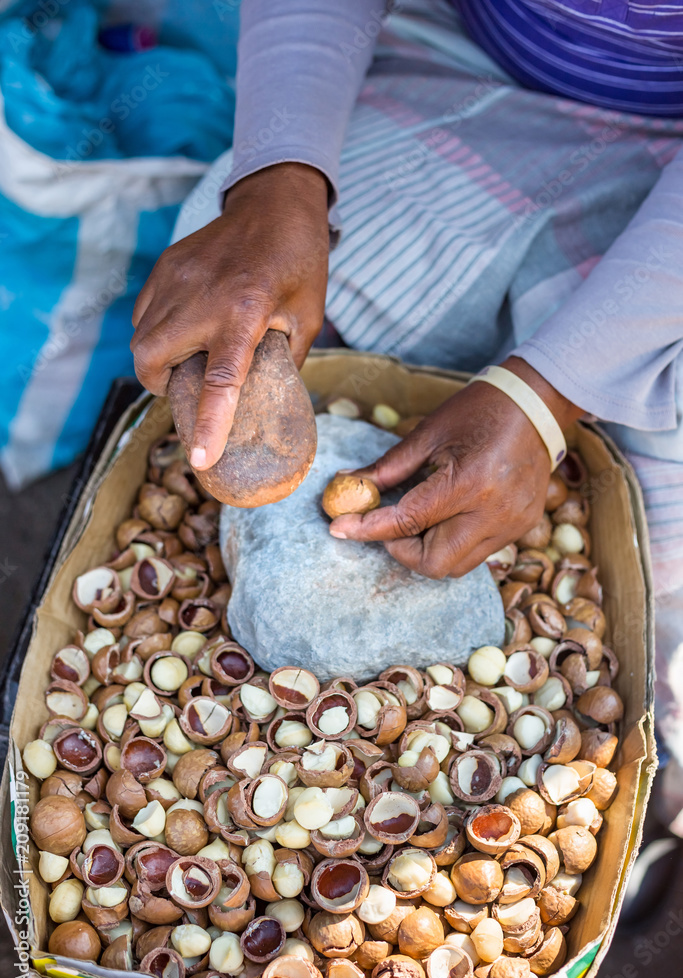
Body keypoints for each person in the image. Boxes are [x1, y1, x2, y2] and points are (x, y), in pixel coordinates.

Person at [131, 0, 683, 877]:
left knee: (667, 504)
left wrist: (544, 399)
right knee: (230, 286)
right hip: (456, 64)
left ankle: (649, 766)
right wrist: (279, 182)